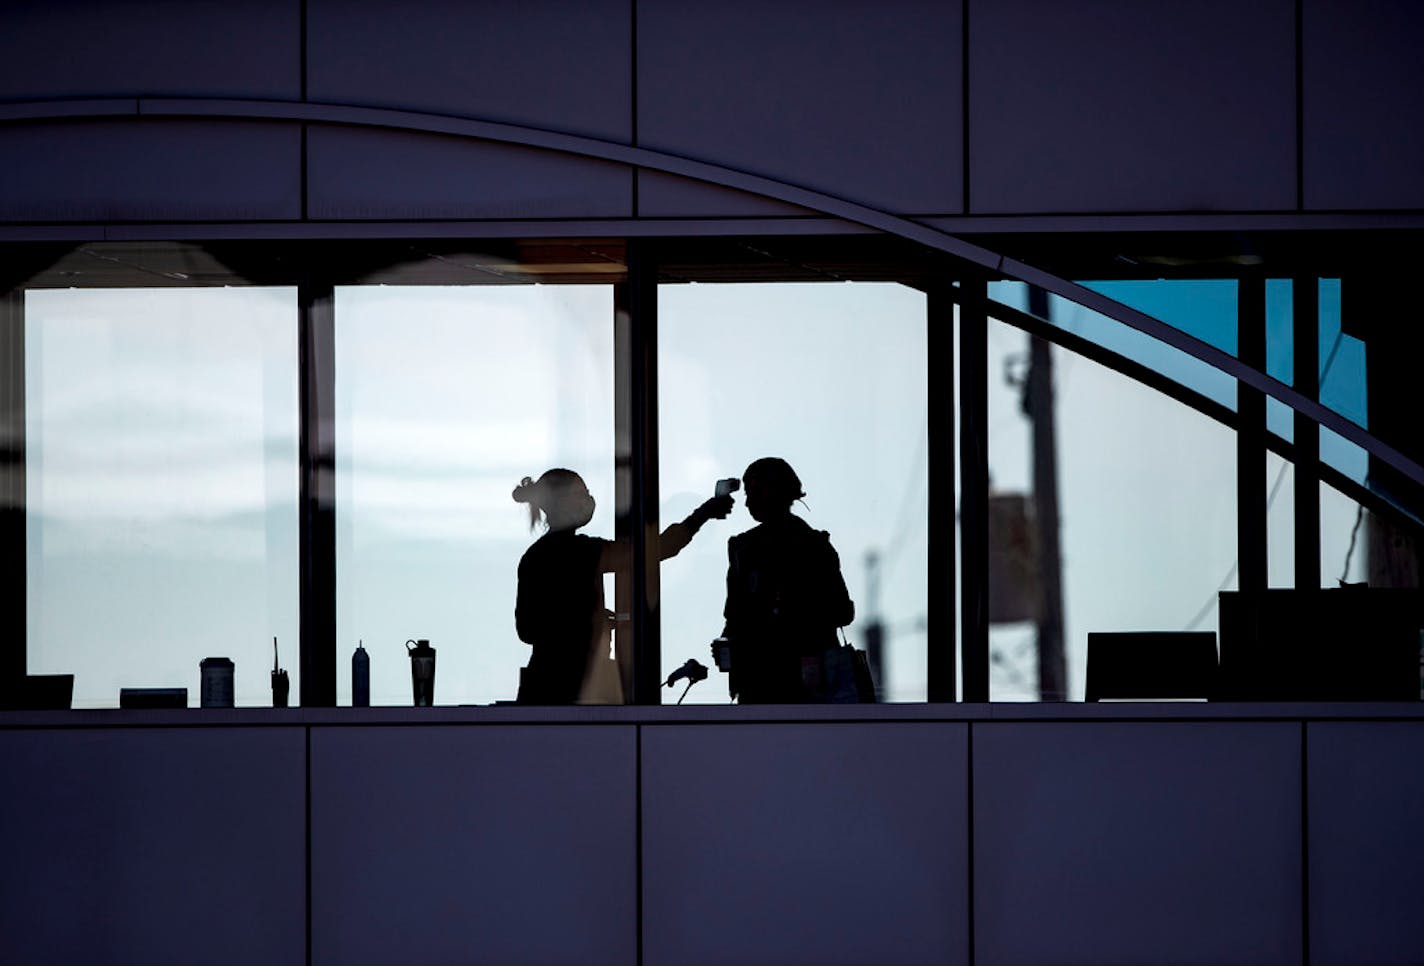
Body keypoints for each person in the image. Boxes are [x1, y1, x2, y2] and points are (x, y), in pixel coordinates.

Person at [512, 468, 732, 704]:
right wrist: (703, 514)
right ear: (564, 502)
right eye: (581, 494)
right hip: (571, 686)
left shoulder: (534, 556)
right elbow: (662, 548)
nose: (588, 500)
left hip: (543, 685)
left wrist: (586, 619)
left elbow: (527, 629)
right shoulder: (583, 552)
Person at [719, 457, 855, 703]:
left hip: (796, 688)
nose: (748, 502)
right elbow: (735, 617)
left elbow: (841, 612)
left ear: (778, 492)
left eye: (756, 492)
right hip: (770, 686)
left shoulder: (812, 547)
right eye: (748, 494)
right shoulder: (745, 549)